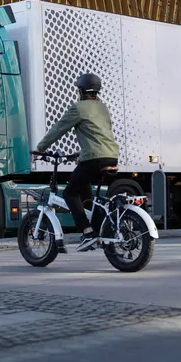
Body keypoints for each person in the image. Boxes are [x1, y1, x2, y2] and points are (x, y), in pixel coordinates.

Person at [35, 72, 119, 246]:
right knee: (85, 188)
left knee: (69, 193)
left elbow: (59, 128)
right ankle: (95, 228)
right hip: (111, 156)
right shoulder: (103, 107)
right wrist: (80, 155)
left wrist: (40, 149)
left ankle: (87, 232)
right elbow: (99, 135)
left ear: (81, 90)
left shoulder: (79, 107)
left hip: (94, 158)